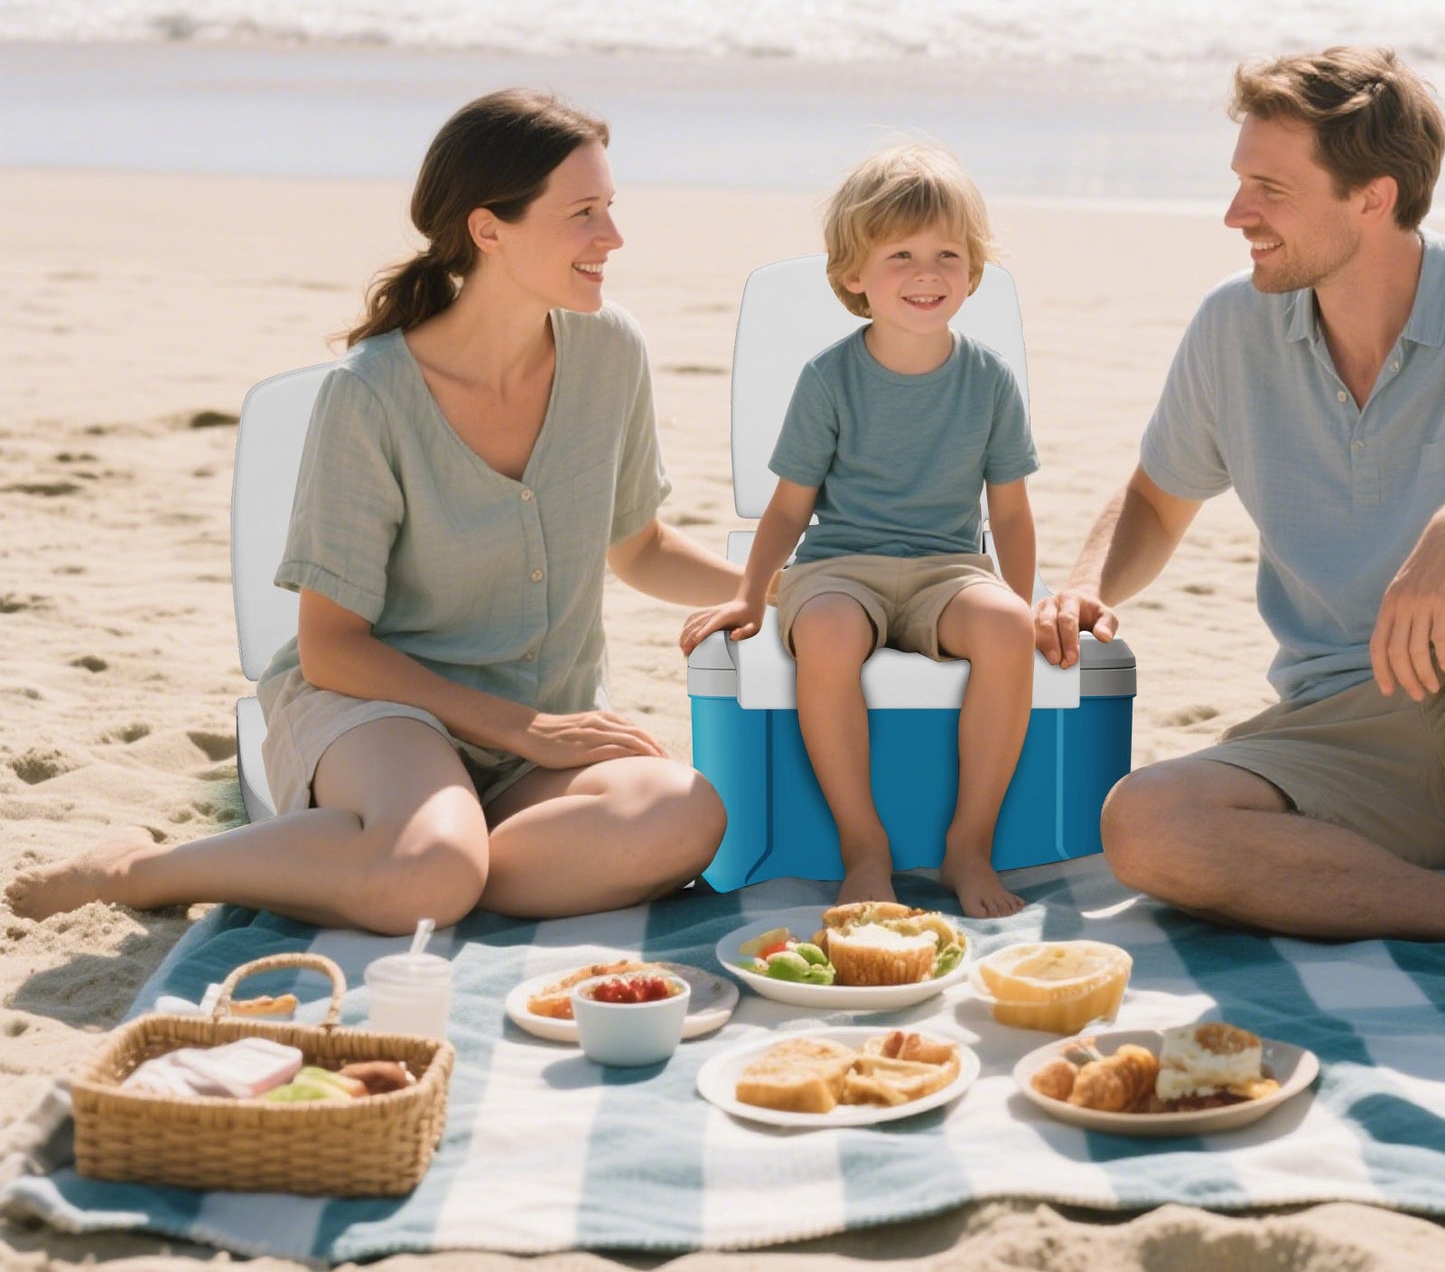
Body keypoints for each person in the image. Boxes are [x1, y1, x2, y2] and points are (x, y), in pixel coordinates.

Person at [7, 89, 742, 934]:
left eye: (610, 207)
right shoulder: (371, 395)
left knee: (685, 814)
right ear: (489, 228)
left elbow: (638, 545)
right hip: (380, 713)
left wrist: (776, 587)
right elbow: (331, 647)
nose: (612, 237)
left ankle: (424, 858)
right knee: (434, 864)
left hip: (534, 725)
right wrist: (523, 728)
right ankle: (142, 868)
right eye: (583, 213)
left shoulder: (612, 351)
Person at [1034, 46, 1445, 941]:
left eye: (1270, 189)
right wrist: (1082, 583)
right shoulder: (1233, 324)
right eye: (1237, 182)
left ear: (1372, 197)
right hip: (1347, 722)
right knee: (1145, 825)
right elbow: (1154, 497)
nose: (1234, 214)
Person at [680, 144, 1039, 917]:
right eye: (900, 254)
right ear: (853, 274)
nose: (927, 272)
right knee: (832, 634)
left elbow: (1008, 511)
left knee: (1008, 628)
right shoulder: (828, 377)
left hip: (950, 569)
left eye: (948, 254)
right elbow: (785, 508)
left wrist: (1022, 600)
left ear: (972, 271)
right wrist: (750, 595)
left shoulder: (989, 379)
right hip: (840, 567)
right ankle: (862, 844)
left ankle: (967, 844)